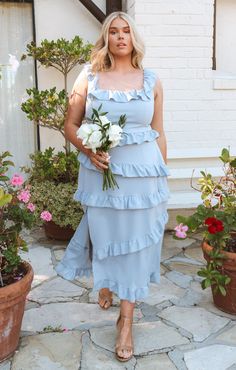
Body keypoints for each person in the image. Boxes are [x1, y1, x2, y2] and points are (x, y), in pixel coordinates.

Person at [56, 11, 170, 362]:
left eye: (126, 31)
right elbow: (70, 125)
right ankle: (104, 282)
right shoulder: (88, 78)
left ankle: (126, 319)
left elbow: (158, 130)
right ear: (105, 39)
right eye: (113, 31)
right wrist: (89, 151)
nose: (121, 37)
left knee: (136, 246)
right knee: (105, 236)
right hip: (101, 171)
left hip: (144, 176)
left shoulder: (151, 80)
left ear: (134, 38)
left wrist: (162, 176)